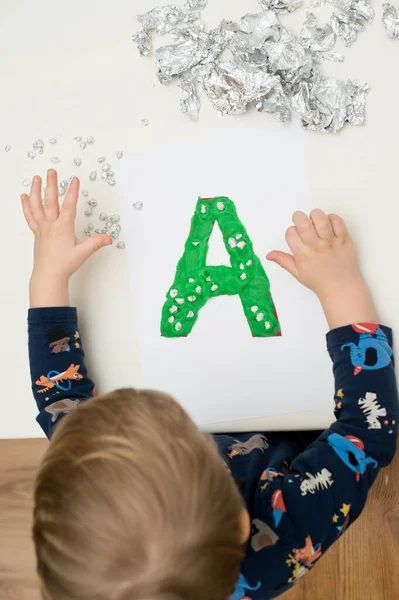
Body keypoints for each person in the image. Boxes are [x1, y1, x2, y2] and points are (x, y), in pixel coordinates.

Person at [23, 170, 398, 600]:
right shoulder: (285, 535)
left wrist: (48, 275)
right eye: (180, 434)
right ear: (242, 522)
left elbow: (59, 392)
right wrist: (341, 287)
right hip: (298, 430)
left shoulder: (85, 464)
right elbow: (368, 431)